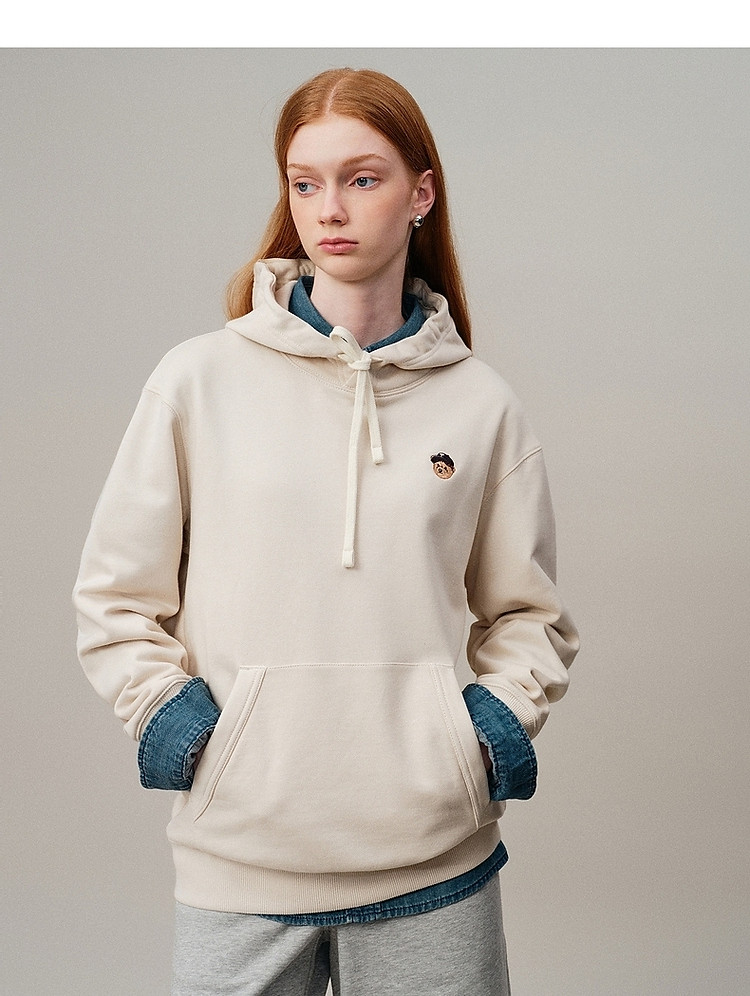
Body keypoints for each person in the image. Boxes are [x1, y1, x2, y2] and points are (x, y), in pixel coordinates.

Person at [74, 67, 579, 996]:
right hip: (243, 855)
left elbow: (529, 617)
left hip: (433, 858)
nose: (329, 209)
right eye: (304, 183)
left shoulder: (481, 406)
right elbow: (115, 599)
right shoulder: (196, 382)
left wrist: (482, 735)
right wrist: (179, 725)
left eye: (362, 178)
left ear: (421, 194)